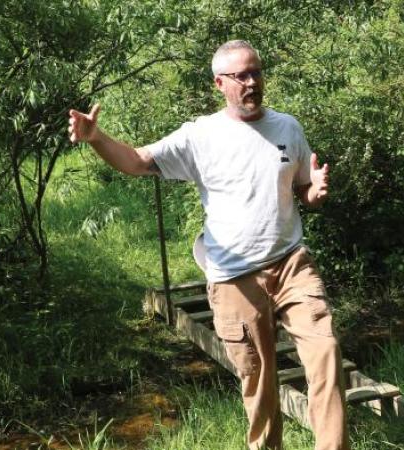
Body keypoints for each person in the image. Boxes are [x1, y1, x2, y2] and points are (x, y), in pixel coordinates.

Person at [67, 40, 348, 450]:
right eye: (241, 76)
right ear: (220, 83)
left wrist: (314, 193)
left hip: (291, 263)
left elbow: (303, 188)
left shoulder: (288, 127)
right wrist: (96, 138)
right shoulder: (200, 136)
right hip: (234, 278)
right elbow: (137, 162)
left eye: (257, 73)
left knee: (326, 353)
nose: (252, 83)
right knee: (261, 385)